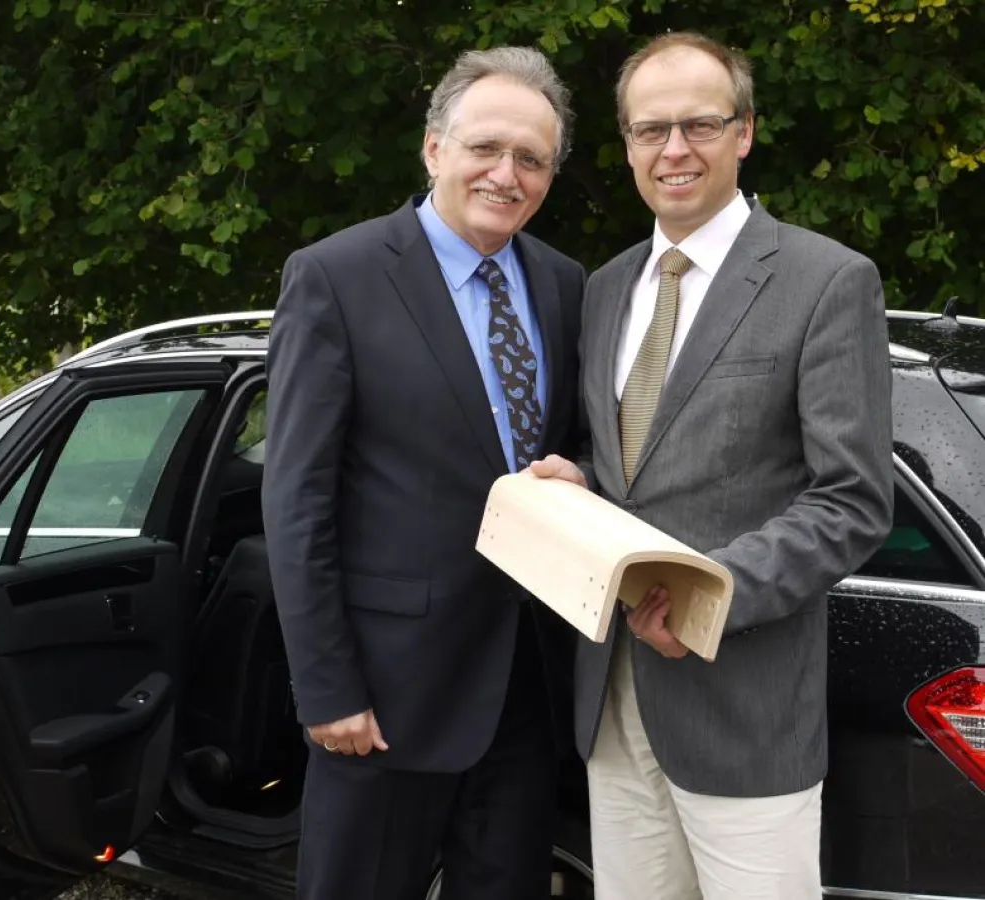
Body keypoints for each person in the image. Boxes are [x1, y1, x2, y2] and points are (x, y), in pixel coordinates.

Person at [530, 31, 893, 900]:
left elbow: (850, 500)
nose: (675, 149)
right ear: (626, 147)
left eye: (699, 124)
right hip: (612, 703)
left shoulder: (827, 280)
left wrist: (708, 593)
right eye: (650, 130)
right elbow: (634, 460)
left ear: (745, 132)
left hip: (745, 708)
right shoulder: (608, 286)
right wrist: (580, 479)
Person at [261, 46, 585, 900]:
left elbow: (572, 448)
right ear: (434, 147)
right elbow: (297, 500)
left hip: (524, 693)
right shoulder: (337, 276)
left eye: (531, 159)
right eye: (486, 147)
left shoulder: (562, 284)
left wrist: (580, 474)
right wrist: (327, 688)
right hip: (381, 700)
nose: (506, 174)